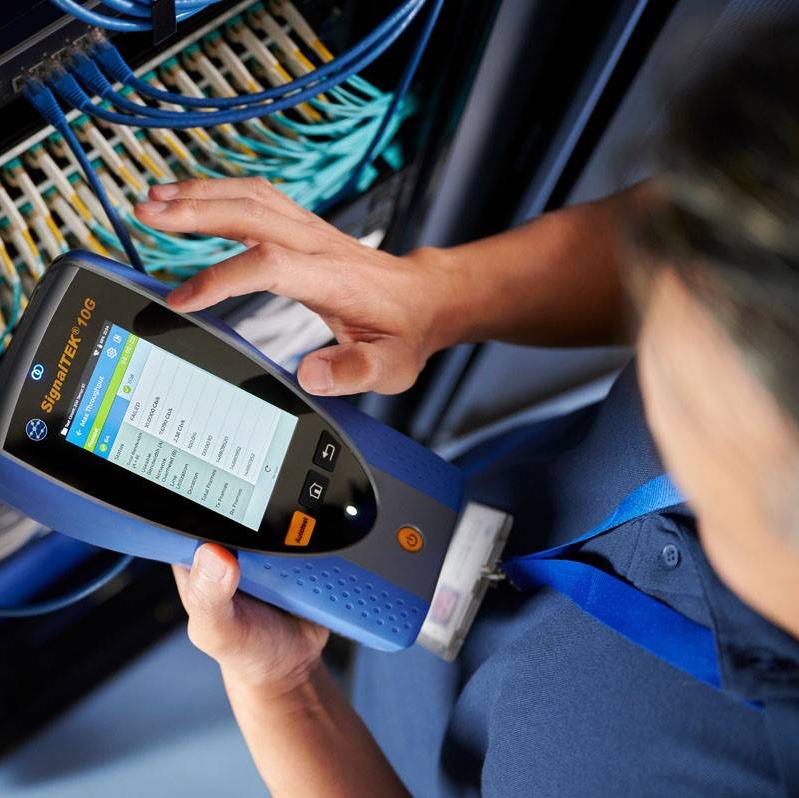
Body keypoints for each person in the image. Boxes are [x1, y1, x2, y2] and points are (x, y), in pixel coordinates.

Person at [130, 15, 798, 798]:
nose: (652, 307)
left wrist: (284, 688)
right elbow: (720, 236)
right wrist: (433, 294)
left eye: (676, 372)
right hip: (421, 601)